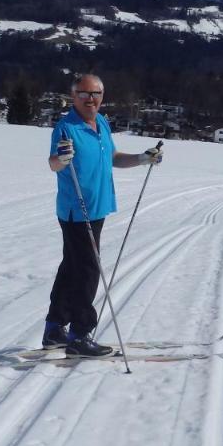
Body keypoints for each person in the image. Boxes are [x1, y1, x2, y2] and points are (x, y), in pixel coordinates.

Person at [44, 73, 163, 355]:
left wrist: (142, 158)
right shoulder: (66, 128)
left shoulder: (102, 124)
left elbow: (113, 158)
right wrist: (60, 159)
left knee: (72, 266)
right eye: (84, 94)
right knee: (87, 269)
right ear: (73, 97)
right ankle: (80, 334)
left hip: (98, 207)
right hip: (77, 210)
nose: (90, 99)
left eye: (96, 94)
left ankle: (54, 328)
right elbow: (53, 163)